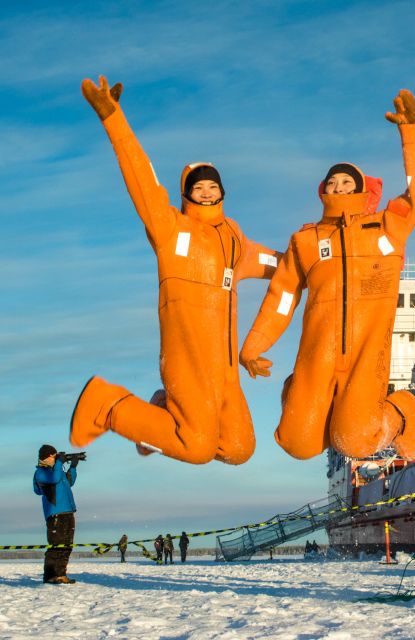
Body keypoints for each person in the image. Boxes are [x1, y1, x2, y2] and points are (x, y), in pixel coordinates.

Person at [70, 76, 280, 465]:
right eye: (198, 186)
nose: (206, 191)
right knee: (197, 448)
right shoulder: (171, 230)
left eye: (212, 186)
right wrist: (113, 118)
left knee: (237, 448)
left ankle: (160, 416)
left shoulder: (237, 242)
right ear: (186, 191)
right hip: (187, 359)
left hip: (226, 371)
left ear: (222, 191)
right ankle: (108, 404)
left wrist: (322, 260)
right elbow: (142, 181)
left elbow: (279, 264)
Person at [239, 89, 415, 461]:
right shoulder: (306, 240)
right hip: (317, 356)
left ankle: (403, 412)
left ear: (361, 191)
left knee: (355, 442)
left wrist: (412, 133)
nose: (339, 187)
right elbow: (281, 297)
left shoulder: (387, 229)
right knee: (296, 443)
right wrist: (253, 348)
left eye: (347, 183)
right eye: (332, 183)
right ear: (322, 191)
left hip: (366, 356)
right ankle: (298, 390)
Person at [32, 444, 79, 584]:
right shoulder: (42, 472)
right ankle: (50, 576)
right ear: (47, 457)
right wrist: (59, 462)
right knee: (56, 545)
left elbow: (68, 481)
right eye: (54, 456)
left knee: (66, 545)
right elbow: (54, 479)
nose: (56, 458)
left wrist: (73, 467)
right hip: (56, 514)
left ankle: (61, 574)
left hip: (68, 511)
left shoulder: (55, 470)